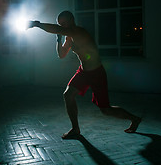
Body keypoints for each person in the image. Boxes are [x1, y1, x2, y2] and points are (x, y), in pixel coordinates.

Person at [28, 11, 141, 139]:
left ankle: (134, 119)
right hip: (83, 72)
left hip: (96, 72)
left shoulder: (79, 32)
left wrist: (37, 24)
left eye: (64, 23)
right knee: (68, 95)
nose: (62, 26)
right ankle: (75, 129)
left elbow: (56, 29)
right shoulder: (69, 37)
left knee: (106, 110)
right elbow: (61, 55)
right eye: (60, 24)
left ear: (71, 20)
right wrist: (58, 39)